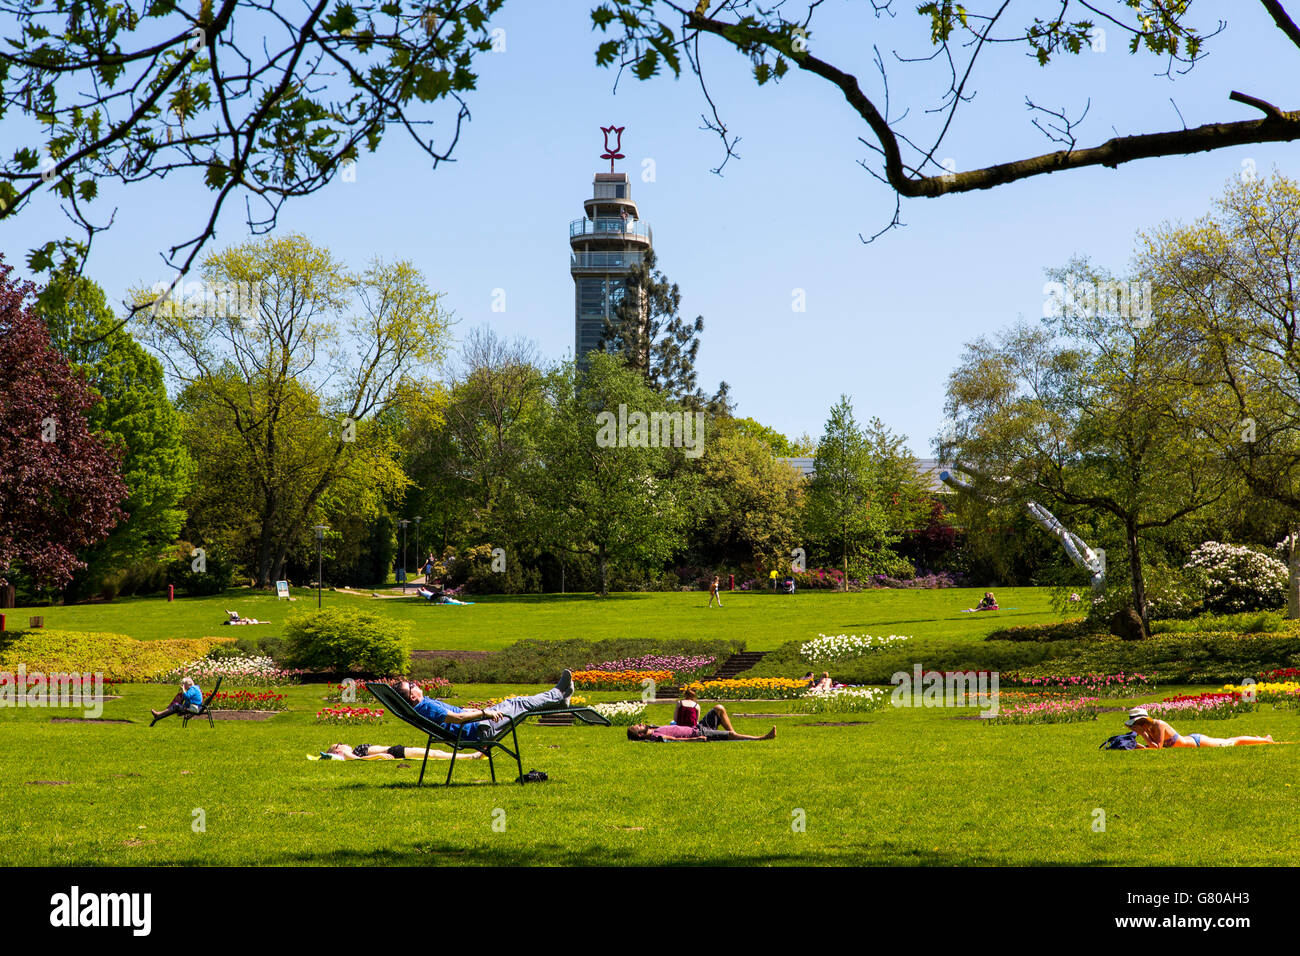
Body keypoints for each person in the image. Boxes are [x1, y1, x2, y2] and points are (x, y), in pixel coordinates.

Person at [399, 670, 574, 741]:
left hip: (477, 725)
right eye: (412, 685)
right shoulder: (426, 708)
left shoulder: (423, 707)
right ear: (413, 696)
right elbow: (458, 719)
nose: (415, 684)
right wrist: (484, 713)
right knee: (518, 702)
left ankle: (559, 701)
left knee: (518, 705)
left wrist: (472, 710)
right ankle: (557, 694)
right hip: (481, 729)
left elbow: (457, 714)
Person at [1124, 707, 1275, 748]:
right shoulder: (1149, 729)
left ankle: (1264, 740)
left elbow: (1157, 748)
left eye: (1136, 724)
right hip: (1191, 740)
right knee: (1229, 741)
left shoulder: (1159, 724)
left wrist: (1143, 734)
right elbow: (1154, 746)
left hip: (1197, 742)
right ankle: (1261, 739)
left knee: (1230, 742)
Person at [627, 705, 776, 742]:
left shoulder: (655, 729)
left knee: (718, 709)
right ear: (640, 734)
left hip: (697, 727)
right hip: (699, 733)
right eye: (639, 726)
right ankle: (762, 738)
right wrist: (695, 740)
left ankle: (735, 734)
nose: (641, 723)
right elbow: (675, 739)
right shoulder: (656, 737)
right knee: (729, 735)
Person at [321, 743, 482, 761]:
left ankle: (469, 756)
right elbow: (357, 760)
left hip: (396, 750)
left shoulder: (354, 750)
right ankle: (470, 756)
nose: (344, 744)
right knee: (433, 753)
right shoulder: (349, 753)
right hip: (396, 751)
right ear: (338, 751)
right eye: (339, 744)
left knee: (434, 752)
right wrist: (379, 756)